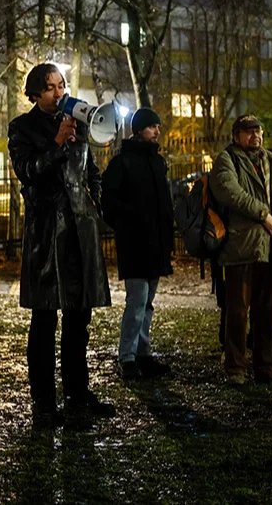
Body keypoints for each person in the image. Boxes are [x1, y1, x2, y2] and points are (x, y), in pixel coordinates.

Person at [7, 63, 115, 429]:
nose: (59, 92)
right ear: (35, 94)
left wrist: (95, 201)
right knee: (44, 321)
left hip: (79, 232)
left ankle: (77, 396)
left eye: (62, 85)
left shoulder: (79, 124)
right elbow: (27, 171)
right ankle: (44, 402)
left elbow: (90, 171)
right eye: (51, 87)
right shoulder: (22, 128)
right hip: (47, 235)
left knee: (78, 319)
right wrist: (56, 144)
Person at [209, 114, 272, 386]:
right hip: (241, 246)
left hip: (271, 246)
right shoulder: (227, 160)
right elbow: (229, 192)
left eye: (258, 131)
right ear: (236, 136)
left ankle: (266, 367)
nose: (254, 136)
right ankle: (235, 367)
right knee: (237, 311)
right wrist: (263, 215)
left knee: (269, 311)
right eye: (248, 132)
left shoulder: (271, 161)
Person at [101, 107, 174, 381]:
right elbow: (109, 202)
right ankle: (128, 356)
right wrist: (129, 220)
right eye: (152, 126)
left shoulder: (156, 162)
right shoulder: (123, 163)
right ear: (140, 129)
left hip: (153, 241)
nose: (157, 131)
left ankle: (141, 352)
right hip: (135, 242)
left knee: (146, 301)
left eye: (157, 126)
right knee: (138, 300)